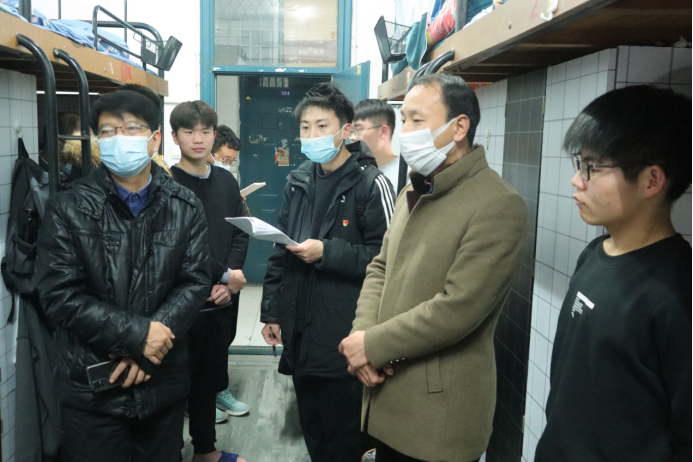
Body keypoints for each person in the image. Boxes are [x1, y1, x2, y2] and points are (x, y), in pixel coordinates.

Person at [340, 74, 528, 462]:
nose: (406, 132)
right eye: (403, 120)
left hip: (437, 414)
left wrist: (372, 346)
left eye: (417, 120)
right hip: (385, 388)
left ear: (459, 127)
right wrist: (362, 333)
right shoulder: (414, 190)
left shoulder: (497, 204)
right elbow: (380, 267)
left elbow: (458, 308)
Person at [33, 90, 212, 462]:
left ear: (154, 139)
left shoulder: (185, 205)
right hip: (93, 390)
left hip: (161, 383)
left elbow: (194, 282)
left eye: (131, 128)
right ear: (98, 140)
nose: (119, 138)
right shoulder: (68, 207)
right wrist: (138, 337)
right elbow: (59, 295)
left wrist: (149, 349)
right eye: (108, 131)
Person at [535, 86, 693, 462]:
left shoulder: (676, 293)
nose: (577, 180)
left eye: (592, 168)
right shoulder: (594, 254)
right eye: (580, 164)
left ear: (651, 181)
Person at [260, 83, 395, 462]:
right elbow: (280, 250)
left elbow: (387, 260)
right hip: (300, 330)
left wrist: (327, 252)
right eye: (306, 127)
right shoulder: (298, 181)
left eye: (322, 126)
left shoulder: (371, 184)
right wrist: (272, 311)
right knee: (314, 433)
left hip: (344, 334)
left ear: (346, 130)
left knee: (343, 439)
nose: (313, 135)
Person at [169, 101, 250, 462]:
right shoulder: (166, 185)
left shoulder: (226, 181)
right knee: (174, 385)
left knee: (208, 381)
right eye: (189, 131)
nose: (198, 139)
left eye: (204, 131)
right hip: (180, 303)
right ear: (175, 137)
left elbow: (241, 232)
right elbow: (178, 246)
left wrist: (230, 279)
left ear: (214, 136)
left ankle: (206, 451)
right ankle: (169, 452)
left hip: (222, 300)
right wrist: (222, 275)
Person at [351, 99, 401, 191]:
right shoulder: (353, 173)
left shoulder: (405, 175)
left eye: (359, 129)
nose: (352, 137)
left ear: (383, 132)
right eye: (352, 131)